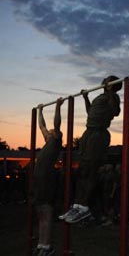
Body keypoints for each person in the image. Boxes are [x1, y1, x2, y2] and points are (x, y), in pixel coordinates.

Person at [59, 76, 121, 223]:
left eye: (109, 80)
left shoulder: (114, 97)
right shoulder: (100, 96)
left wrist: (112, 91)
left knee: (91, 170)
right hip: (88, 133)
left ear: (112, 85)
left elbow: (116, 111)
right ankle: (77, 206)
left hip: (99, 134)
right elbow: (90, 112)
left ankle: (84, 206)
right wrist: (86, 98)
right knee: (83, 170)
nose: (105, 80)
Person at [32, 98, 64, 256]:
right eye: (48, 132)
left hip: (46, 178)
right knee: (40, 212)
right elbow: (41, 126)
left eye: (51, 132)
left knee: (46, 210)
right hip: (38, 178)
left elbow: (56, 124)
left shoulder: (56, 141)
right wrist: (40, 110)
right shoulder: (47, 142)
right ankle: (41, 244)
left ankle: (47, 246)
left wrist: (58, 107)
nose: (48, 131)